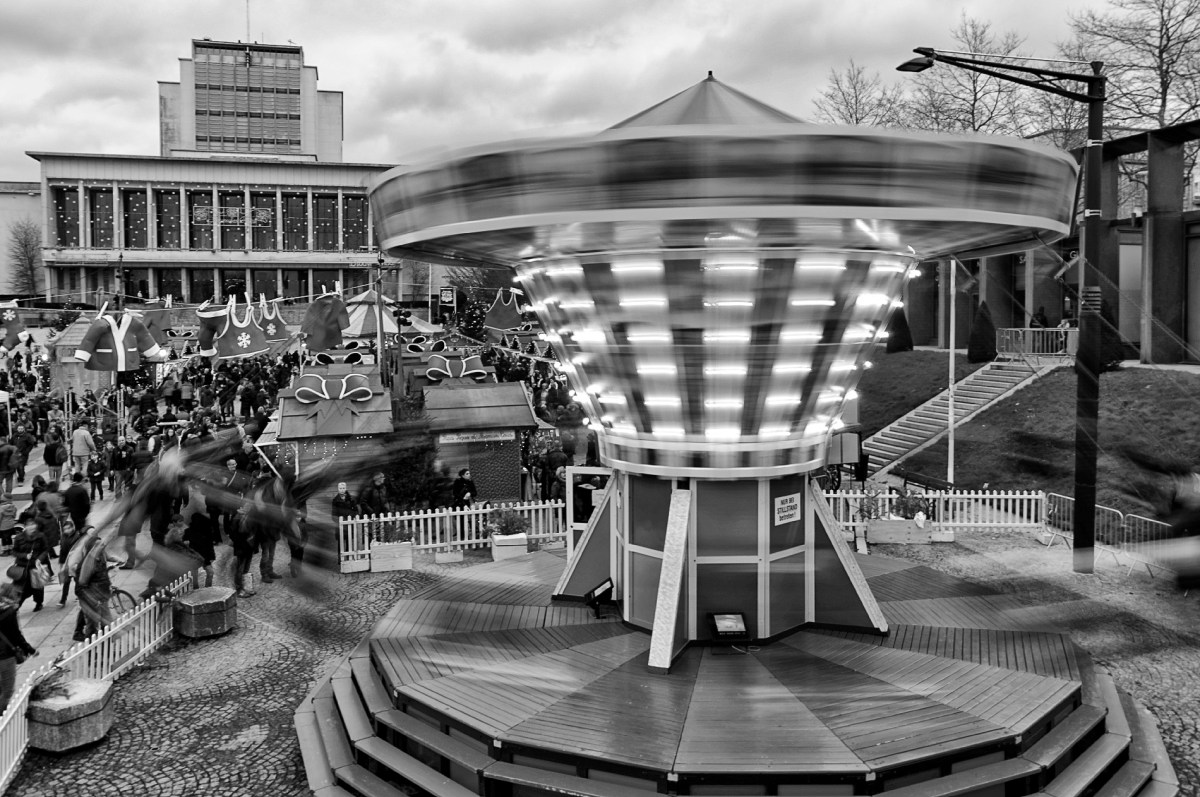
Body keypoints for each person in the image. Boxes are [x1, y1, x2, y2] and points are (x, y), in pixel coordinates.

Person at [70, 526, 113, 641]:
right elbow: (80, 587)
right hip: (92, 602)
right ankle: (91, 651)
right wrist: (91, 600)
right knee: (92, 627)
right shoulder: (86, 565)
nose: (102, 547)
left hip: (102, 599)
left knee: (107, 625)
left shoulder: (101, 559)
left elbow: (103, 578)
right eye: (99, 546)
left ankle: (107, 647)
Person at [0, 583, 37, 714]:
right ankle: (1, 718)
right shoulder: (9, 612)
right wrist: (30, 649)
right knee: (7, 690)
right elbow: (16, 636)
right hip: (5, 656)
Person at [11, 522, 50, 611]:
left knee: (37, 587)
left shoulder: (41, 536)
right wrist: (25, 555)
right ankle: (16, 606)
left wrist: (39, 559)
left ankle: (39, 603)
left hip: (35, 567)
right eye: (30, 526)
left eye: (33, 526)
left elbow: (45, 549)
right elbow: (14, 552)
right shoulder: (19, 538)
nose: (32, 528)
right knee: (20, 588)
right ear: (26, 527)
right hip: (22, 568)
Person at [183, 513, 217, 588]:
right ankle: (196, 589)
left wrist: (212, 556)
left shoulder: (207, 531)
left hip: (205, 556)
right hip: (195, 557)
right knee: (194, 576)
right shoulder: (188, 531)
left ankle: (207, 588)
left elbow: (210, 545)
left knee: (210, 573)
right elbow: (183, 543)